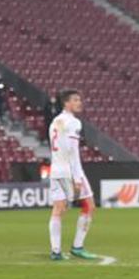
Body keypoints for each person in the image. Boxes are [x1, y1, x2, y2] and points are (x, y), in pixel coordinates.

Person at [47, 89, 97, 261]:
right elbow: (72, 151)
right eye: (75, 100)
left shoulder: (55, 121)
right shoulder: (73, 122)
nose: (79, 102)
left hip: (55, 169)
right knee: (89, 205)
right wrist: (77, 178)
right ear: (66, 103)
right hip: (70, 170)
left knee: (58, 209)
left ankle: (56, 251)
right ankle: (77, 246)